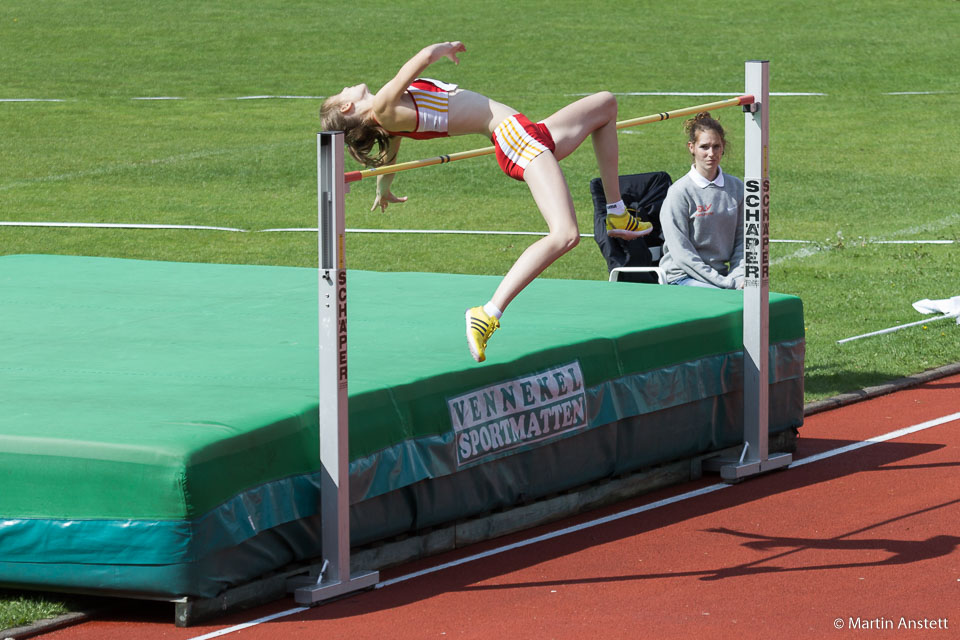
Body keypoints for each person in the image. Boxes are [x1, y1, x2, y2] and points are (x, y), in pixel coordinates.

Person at [320, 41, 651, 362]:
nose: (347, 87)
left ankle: (616, 212)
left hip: (526, 132)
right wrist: (444, 48)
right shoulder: (383, 108)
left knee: (605, 104)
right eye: (341, 94)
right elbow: (420, 59)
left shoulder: (387, 119)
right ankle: (488, 313)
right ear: (346, 107)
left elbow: (391, 149)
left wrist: (383, 186)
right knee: (565, 234)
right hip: (516, 139)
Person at [658, 112, 745, 289]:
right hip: (682, 277)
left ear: (723, 147)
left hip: (722, 277)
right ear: (692, 147)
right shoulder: (679, 192)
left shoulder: (737, 188)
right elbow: (682, 254)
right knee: (726, 303)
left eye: (716, 146)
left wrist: (739, 277)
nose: (711, 153)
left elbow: (744, 241)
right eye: (704, 147)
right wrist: (726, 283)